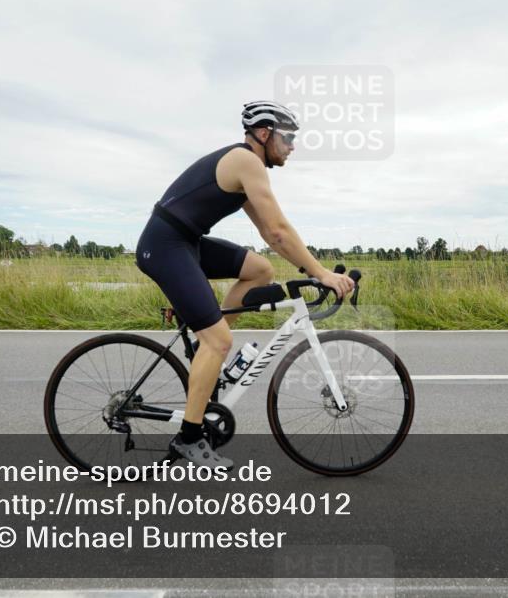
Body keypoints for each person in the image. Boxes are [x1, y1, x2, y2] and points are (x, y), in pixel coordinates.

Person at [135, 101, 355, 468]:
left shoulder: (247, 167)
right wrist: (321, 273)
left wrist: (311, 267)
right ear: (265, 134)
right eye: (288, 138)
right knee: (219, 340)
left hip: (185, 243)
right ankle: (189, 438)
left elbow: (268, 231)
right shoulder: (245, 161)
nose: (292, 146)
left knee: (260, 269)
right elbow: (278, 231)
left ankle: (206, 350)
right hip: (165, 246)